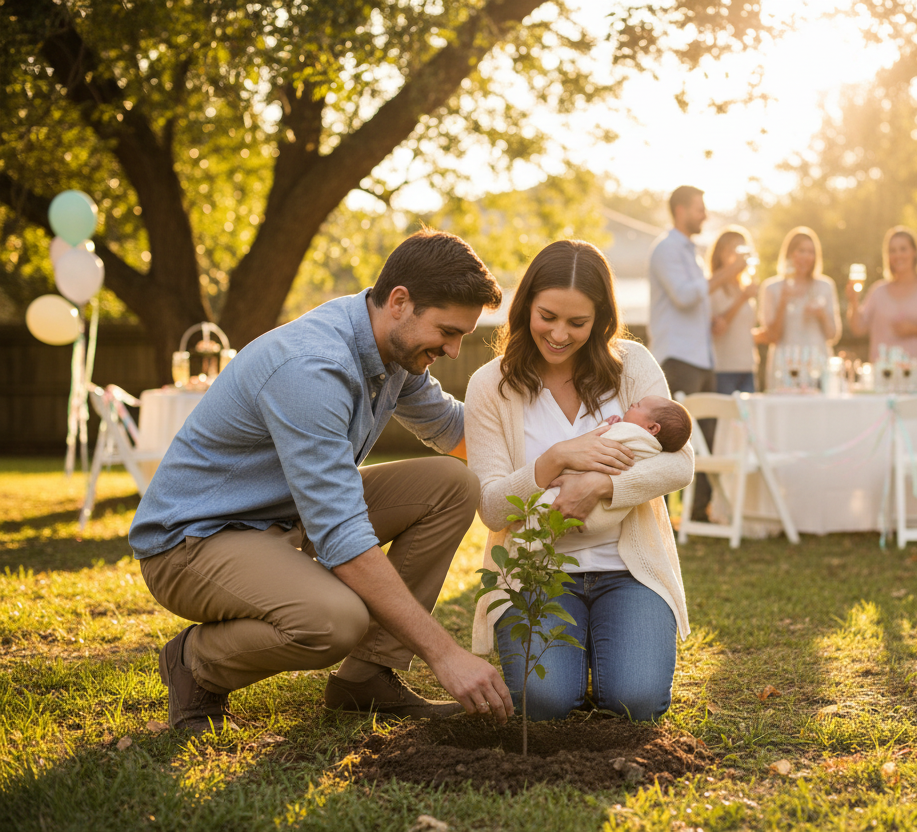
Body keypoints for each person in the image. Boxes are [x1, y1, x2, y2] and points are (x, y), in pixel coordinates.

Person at [129, 229, 514, 736]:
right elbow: (343, 539)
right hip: (194, 541)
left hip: (284, 519)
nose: (453, 348)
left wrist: (563, 454)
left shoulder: (392, 348)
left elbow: (455, 430)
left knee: (451, 485)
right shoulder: (313, 367)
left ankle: (366, 678)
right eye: (447, 331)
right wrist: (445, 655)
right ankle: (194, 663)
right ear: (400, 302)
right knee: (334, 620)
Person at [466, 239, 694, 722]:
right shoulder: (491, 385)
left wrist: (602, 486)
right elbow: (490, 507)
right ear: (525, 305)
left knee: (637, 701)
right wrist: (554, 460)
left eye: (577, 322)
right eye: (547, 315)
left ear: (601, 320)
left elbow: (679, 464)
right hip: (536, 572)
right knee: (545, 702)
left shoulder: (632, 366)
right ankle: (576, 662)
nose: (560, 334)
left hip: (627, 571)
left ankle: (608, 651)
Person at [648, 185, 745, 520]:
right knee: (668, 440)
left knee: (706, 437)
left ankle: (697, 512)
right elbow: (685, 296)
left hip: (702, 357)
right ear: (680, 210)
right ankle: (658, 516)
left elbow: (695, 305)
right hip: (677, 357)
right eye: (698, 208)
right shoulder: (666, 250)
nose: (703, 214)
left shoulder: (692, 252)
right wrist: (727, 274)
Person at [536, 396, 693, 530]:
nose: (632, 404)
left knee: (542, 510)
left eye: (637, 406)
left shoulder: (630, 432)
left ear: (652, 427)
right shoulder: (653, 448)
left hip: (572, 491)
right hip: (606, 518)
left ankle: (529, 539)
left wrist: (605, 426)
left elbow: (592, 443)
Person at [845, 226, 917, 376]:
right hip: (884, 376)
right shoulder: (878, 291)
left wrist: (914, 329)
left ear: (914, 252)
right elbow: (858, 328)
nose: (898, 255)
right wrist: (853, 302)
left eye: (903, 249)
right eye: (892, 250)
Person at [758, 226, 841, 385]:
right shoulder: (771, 288)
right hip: (784, 370)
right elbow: (773, 336)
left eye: (811, 252)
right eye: (801, 250)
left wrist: (822, 314)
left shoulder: (825, 286)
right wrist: (783, 301)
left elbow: (833, 335)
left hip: (817, 368)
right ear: (789, 254)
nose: (806, 256)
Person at [708, 225, 761, 394]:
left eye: (744, 250)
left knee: (748, 420)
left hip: (748, 367)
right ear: (721, 254)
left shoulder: (744, 287)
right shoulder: (712, 288)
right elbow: (718, 329)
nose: (741, 256)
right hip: (724, 369)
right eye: (735, 249)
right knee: (726, 420)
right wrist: (743, 298)